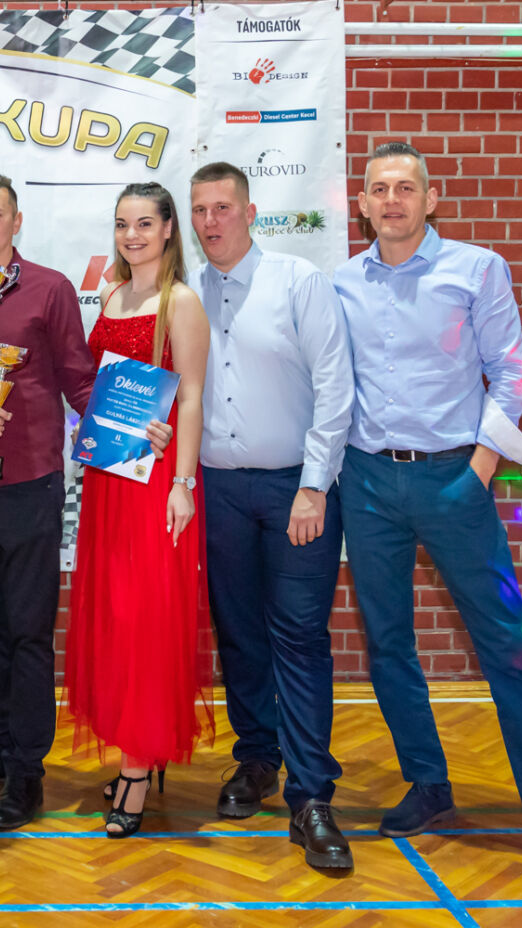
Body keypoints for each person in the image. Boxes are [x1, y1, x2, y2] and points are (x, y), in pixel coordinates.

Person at [333, 141, 522, 886]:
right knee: (389, 644)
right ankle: (428, 782)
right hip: (367, 481)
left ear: (431, 200)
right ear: (362, 204)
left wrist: (480, 469)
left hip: (457, 477)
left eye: (406, 188)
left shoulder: (477, 268)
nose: (392, 200)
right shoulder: (341, 282)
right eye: (379, 189)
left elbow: (510, 371)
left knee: (506, 647)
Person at [0, 173, 172, 830]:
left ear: (17, 222)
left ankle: (27, 775)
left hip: (30, 485)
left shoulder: (50, 288)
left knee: (29, 633)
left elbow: (79, 382)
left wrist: (141, 431)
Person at [187, 162, 354, 870]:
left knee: (300, 638)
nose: (210, 221)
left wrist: (314, 485)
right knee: (240, 635)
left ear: (250, 212)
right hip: (218, 489)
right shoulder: (185, 293)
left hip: (296, 490)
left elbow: (335, 384)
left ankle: (311, 795)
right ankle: (257, 758)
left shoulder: (298, 281)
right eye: (200, 209)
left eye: (223, 207)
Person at [62, 182, 212, 838]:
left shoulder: (181, 301)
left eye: (145, 223)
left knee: (147, 619)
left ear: (169, 228)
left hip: (157, 482)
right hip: (110, 480)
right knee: (116, 618)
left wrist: (183, 481)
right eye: (123, 224)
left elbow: (193, 396)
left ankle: (138, 769)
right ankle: (136, 750)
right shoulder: (113, 296)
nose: (132, 235)